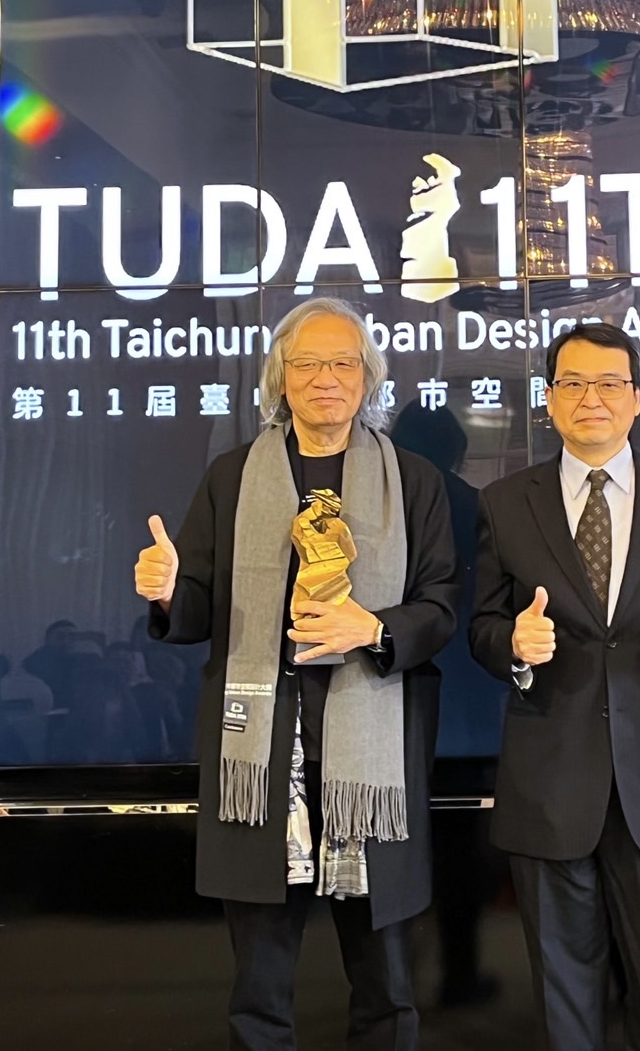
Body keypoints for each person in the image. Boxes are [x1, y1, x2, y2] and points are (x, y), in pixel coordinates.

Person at [134, 297, 458, 1051]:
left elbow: (441, 605)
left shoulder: (413, 481)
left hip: (373, 759)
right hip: (263, 752)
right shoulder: (232, 477)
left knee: (387, 989)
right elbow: (198, 609)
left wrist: (371, 628)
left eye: (343, 362)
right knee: (259, 991)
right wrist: (169, 592)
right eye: (307, 363)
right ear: (280, 378)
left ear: (367, 377)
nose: (326, 379)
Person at [469, 322, 640, 1051]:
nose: (591, 397)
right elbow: (482, 627)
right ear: (549, 399)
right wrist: (514, 647)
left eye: (609, 383)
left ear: (637, 397)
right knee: (564, 1004)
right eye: (573, 383)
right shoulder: (505, 501)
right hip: (550, 780)